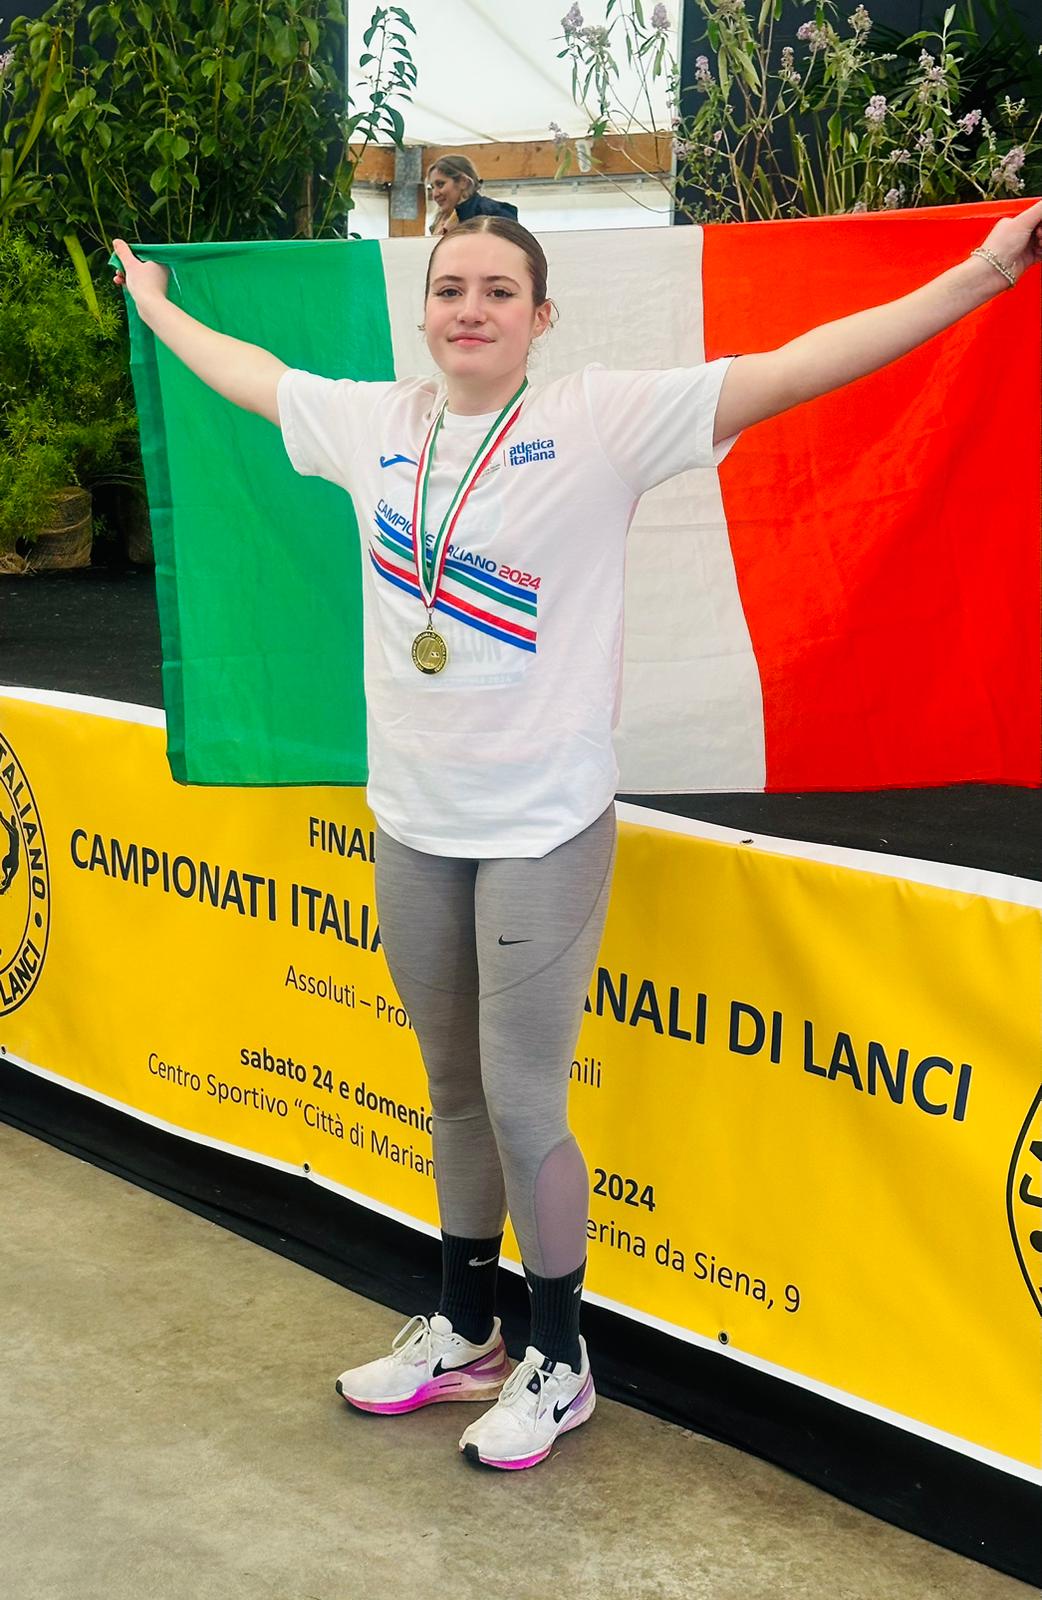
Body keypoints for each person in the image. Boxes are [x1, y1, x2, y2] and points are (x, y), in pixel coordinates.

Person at [112, 201, 1042, 1472]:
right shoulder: (374, 425)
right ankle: (465, 1329)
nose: (472, 309)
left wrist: (981, 275)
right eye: (451, 288)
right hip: (412, 821)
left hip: (542, 826)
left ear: (540, 316)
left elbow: (794, 367)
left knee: (522, 1101)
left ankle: (559, 1357)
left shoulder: (598, 420)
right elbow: (248, 374)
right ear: (423, 312)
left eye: (500, 290)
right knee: (449, 1089)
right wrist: (155, 305)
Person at [427, 153, 518, 236]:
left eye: (440, 184)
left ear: (463, 182)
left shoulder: (495, 215)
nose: (435, 194)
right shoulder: (439, 222)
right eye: (432, 187)